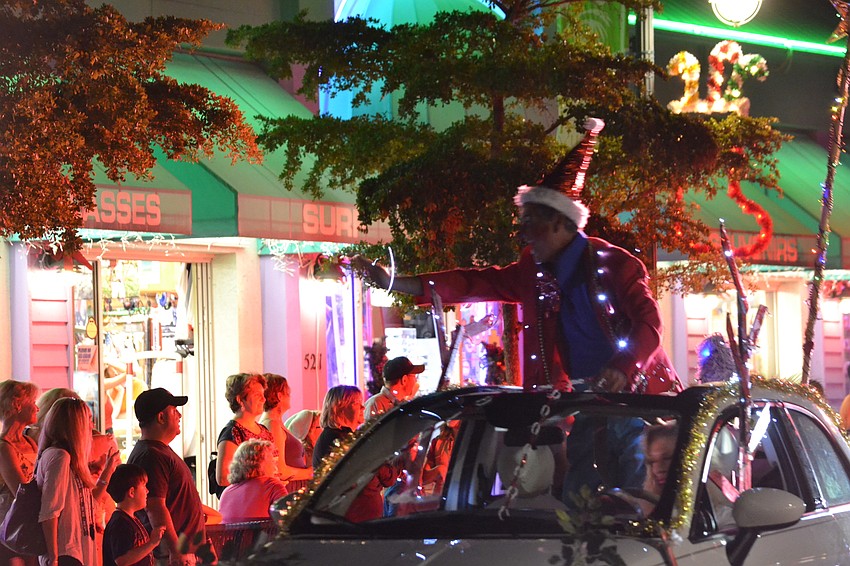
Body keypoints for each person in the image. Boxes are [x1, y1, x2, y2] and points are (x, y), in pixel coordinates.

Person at [354, 118, 683, 500]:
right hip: (590, 408)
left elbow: (650, 323)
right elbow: (476, 282)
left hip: (642, 407)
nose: (523, 233)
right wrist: (395, 282)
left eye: (532, 223)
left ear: (562, 222)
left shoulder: (615, 264)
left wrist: (624, 368)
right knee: (580, 499)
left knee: (637, 500)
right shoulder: (535, 270)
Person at [127, 387, 206, 565]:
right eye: (174, 410)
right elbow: (155, 506)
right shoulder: (151, 455)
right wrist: (176, 550)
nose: (179, 415)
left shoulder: (158, 451)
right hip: (170, 555)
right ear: (161, 417)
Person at [37, 397, 120, 566]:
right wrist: (53, 557)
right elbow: (50, 512)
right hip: (65, 552)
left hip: (78, 550)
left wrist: (108, 470)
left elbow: (89, 505)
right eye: (88, 419)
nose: (92, 425)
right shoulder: (59, 457)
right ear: (75, 424)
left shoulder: (70, 460)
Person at [214, 373, 274, 498]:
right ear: (240, 400)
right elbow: (223, 478)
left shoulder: (264, 430)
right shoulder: (232, 432)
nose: (263, 399)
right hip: (247, 502)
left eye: (263, 395)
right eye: (257, 395)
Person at [0, 379, 40, 566]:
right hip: (11, 529)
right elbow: (21, 491)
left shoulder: (30, 442)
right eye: (32, 402)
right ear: (17, 405)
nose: (37, 408)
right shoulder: (4, 448)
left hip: (30, 525)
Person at [103, 464, 166, 566]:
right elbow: (122, 560)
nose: (147, 491)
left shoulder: (131, 519)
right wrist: (152, 543)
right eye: (144, 486)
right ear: (131, 492)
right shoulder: (120, 523)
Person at [258, 375, 312, 487]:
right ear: (279, 395)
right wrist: (309, 473)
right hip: (289, 489)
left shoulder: (276, 423)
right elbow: (279, 470)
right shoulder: (272, 424)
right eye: (288, 393)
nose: (290, 396)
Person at [218, 439, 288, 523]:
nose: (275, 467)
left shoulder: (226, 492)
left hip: (230, 536)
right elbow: (289, 522)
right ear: (261, 463)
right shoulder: (272, 486)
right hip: (261, 535)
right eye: (272, 461)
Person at [312, 385, 365, 469]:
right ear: (338, 409)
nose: (363, 407)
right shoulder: (336, 440)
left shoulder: (344, 435)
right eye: (356, 403)